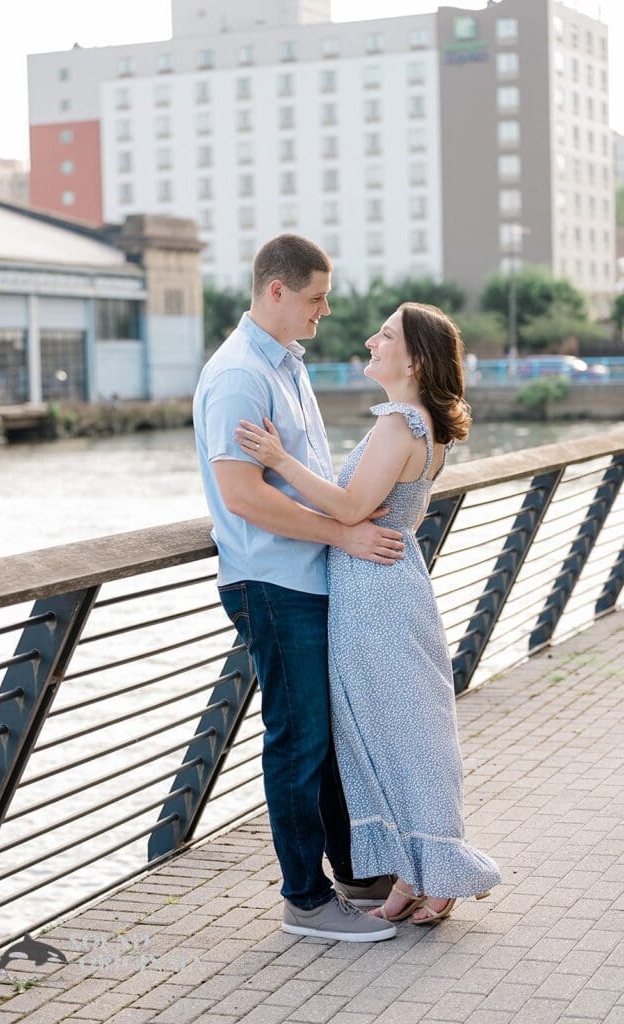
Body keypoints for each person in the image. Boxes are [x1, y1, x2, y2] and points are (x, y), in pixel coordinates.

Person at [236, 301, 502, 925]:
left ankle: (438, 872)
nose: (369, 340)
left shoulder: (400, 425)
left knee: (408, 735)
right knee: (383, 735)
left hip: (376, 591)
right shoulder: (416, 423)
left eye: (385, 336)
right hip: (380, 585)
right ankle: (412, 872)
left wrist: (279, 462)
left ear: (413, 360)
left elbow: (353, 505)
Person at [192, 234, 406, 942]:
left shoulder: (286, 365)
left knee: (327, 737)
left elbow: (297, 473)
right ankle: (304, 901)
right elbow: (244, 498)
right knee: (298, 739)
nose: (325, 310)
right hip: (272, 581)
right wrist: (344, 534)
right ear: (275, 291)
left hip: (307, 577)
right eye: (316, 297)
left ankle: (350, 871)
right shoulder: (237, 377)